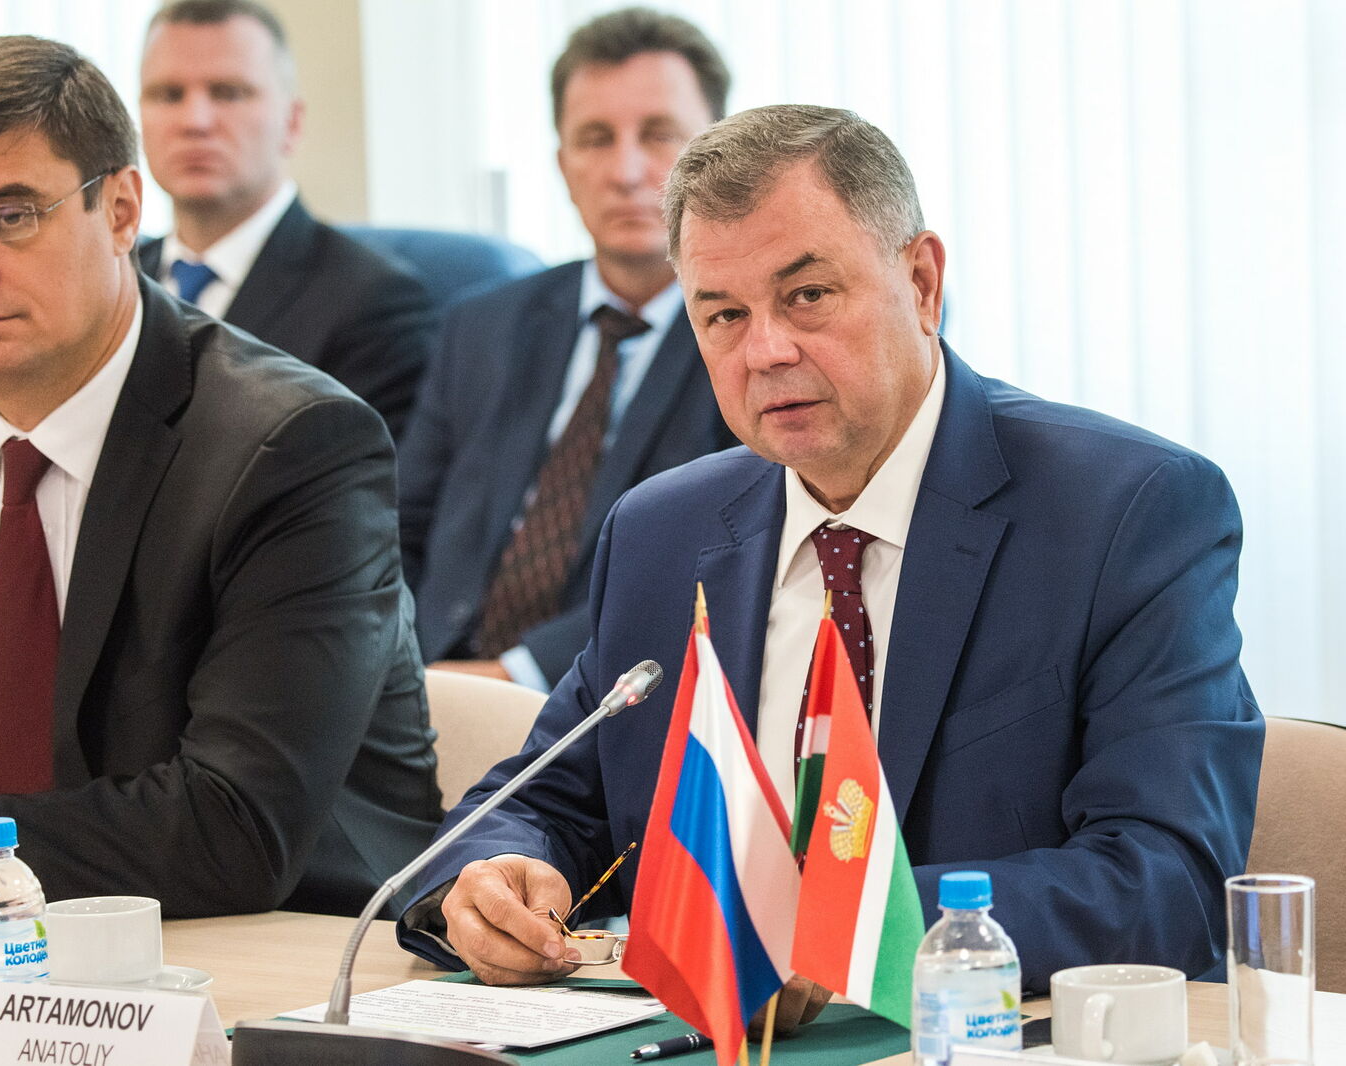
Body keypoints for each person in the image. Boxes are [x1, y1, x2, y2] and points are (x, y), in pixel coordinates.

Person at [398, 105, 1263, 1019]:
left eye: (807, 296)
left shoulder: (1124, 511)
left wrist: (855, 932)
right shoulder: (663, 532)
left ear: (922, 282)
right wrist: (493, 874)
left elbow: (1169, 878)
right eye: (724, 314)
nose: (766, 351)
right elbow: (546, 799)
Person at [0, 34, 440, 950]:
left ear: (120, 210)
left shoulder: (293, 446)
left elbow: (232, 826)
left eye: (10, 216)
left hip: (284, 959)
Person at [398, 8, 736, 693]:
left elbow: (726, 564)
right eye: (595, 139)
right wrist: (394, 667)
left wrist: (511, 675)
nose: (627, 171)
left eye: (659, 135)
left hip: (616, 695)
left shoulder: (753, 339)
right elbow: (395, 531)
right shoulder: (481, 325)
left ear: (719, 153)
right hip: (426, 683)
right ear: (562, 164)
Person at [135, 0, 433, 439]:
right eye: (168, 95)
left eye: (228, 92)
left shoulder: (373, 303)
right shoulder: (111, 280)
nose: (194, 121)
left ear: (292, 122)